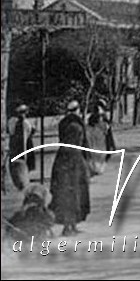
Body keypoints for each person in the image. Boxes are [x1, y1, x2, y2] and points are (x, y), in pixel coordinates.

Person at [49, 100, 90, 236]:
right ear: (77, 109)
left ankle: (71, 225)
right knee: (74, 194)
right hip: (74, 161)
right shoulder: (76, 125)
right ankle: (69, 226)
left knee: (67, 193)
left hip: (63, 160)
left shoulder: (63, 123)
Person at [8, 104, 35, 191]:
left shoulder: (12, 121)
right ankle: (22, 181)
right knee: (22, 162)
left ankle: (20, 181)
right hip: (22, 145)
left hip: (16, 145)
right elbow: (27, 133)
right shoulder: (24, 123)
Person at [85, 105, 111, 176]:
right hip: (100, 146)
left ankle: (94, 168)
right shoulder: (103, 125)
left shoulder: (89, 126)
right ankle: (97, 168)